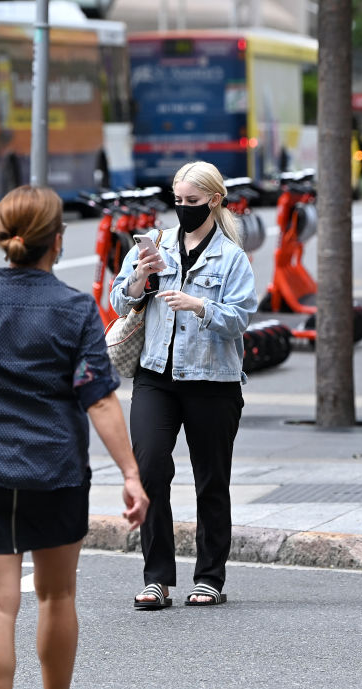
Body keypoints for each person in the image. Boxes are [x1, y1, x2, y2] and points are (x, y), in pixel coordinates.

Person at [0, 185, 148, 689]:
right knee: (57, 597)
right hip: (58, 470)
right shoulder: (73, 308)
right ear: (58, 241)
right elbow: (100, 399)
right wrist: (131, 475)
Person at [110, 160, 258, 609]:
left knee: (211, 480)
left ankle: (210, 577)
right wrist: (139, 277)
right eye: (177, 201)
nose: (183, 209)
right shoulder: (154, 244)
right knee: (151, 469)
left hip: (212, 380)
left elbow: (241, 319)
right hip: (155, 376)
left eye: (192, 202)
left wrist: (200, 306)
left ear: (214, 200)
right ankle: (156, 578)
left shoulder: (232, 257)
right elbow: (117, 301)